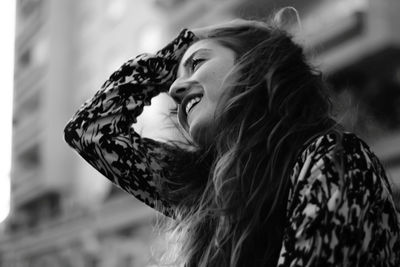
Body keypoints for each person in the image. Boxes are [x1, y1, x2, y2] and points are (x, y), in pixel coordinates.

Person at [64, 16, 400, 267]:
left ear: (256, 66)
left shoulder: (333, 158)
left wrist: (187, 45)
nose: (176, 89)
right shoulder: (203, 188)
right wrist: (171, 59)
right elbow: (91, 131)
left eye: (198, 63)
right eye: (175, 79)